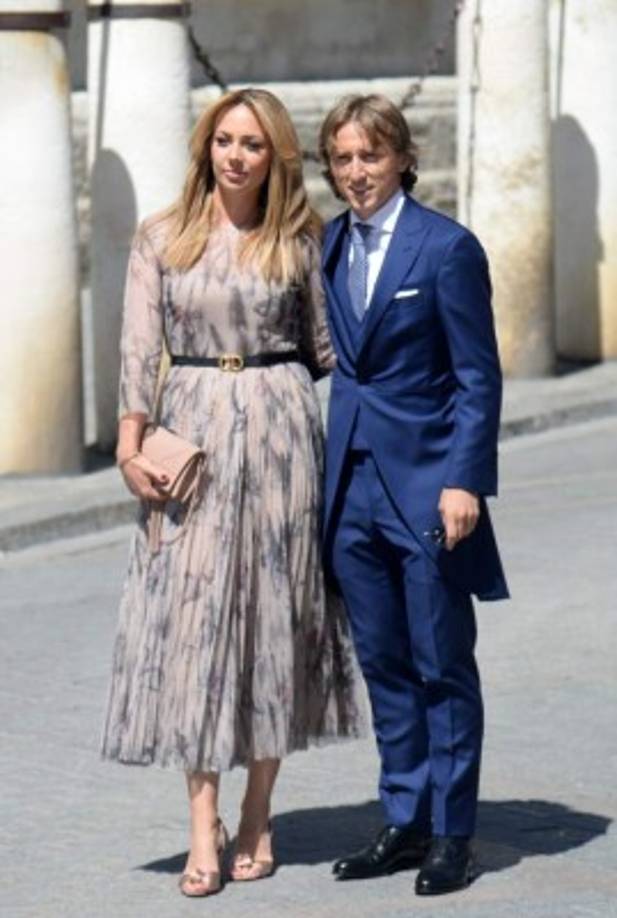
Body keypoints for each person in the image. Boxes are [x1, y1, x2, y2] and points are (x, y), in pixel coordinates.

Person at [101, 87, 364, 899]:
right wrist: (128, 438)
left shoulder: (301, 240)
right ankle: (198, 824)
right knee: (195, 626)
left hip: (283, 432)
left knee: (275, 619)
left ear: (274, 155)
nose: (236, 155)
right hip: (191, 438)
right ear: (205, 148)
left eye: (252, 143)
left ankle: (256, 811)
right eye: (224, 141)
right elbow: (139, 347)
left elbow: (330, 349)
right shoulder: (162, 238)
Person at [317, 94, 509, 896]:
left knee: (440, 664)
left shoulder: (445, 249)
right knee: (384, 664)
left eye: (369, 156)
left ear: (400, 158)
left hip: (429, 489)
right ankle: (404, 817)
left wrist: (466, 478)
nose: (355, 173)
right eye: (341, 159)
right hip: (350, 491)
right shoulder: (327, 244)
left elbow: (476, 376)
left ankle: (452, 834)